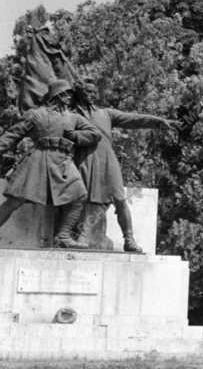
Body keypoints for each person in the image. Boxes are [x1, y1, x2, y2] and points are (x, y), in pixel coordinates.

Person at [69, 81, 174, 253]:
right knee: (86, 199)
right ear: (80, 93)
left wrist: (157, 121)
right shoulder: (72, 115)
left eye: (94, 91)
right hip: (85, 159)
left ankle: (129, 238)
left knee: (119, 198)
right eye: (88, 91)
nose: (92, 94)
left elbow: (133, 119)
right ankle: (82, 234)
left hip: (108, 161)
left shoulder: (106, 114)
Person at [0, 79, 100, 247]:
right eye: (65, 93)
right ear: (57, 95)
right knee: (14, 201)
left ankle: (63, 236)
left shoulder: (73, 117)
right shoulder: (36, 114)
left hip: (62, 163)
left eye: (70, 94)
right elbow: (12, 135)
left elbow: (95, 133)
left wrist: (75, 136)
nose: (69, 97)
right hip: (37, 162)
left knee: (79, 195)